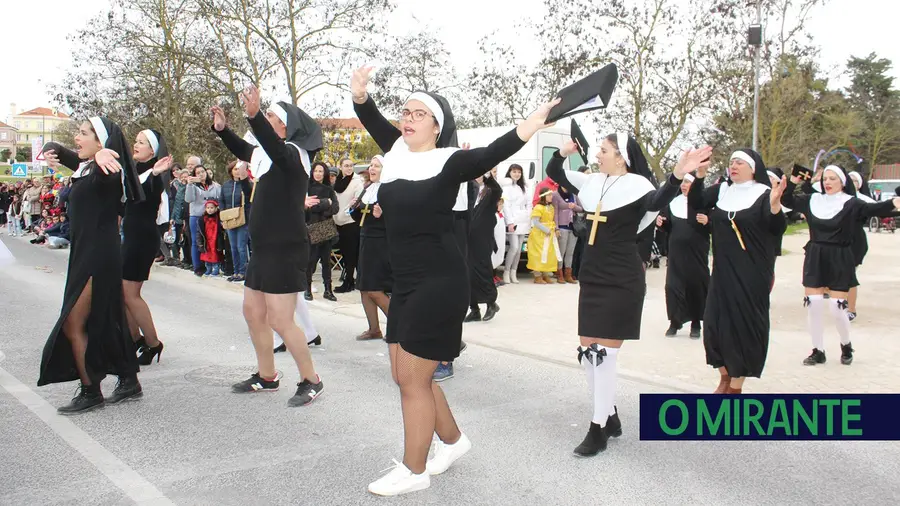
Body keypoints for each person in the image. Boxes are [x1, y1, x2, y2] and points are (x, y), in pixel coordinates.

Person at [351, 65, 560, 496]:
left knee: (411, 379)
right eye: (405, 111)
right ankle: (452, 440)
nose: (407, 118)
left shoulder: (448, 162)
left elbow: (491, 153)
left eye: (418, 114)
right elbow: (371, 117)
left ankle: (414, 471)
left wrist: (531, 125)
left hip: (440, 281)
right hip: (404, 280)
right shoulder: (394, 154)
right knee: (407, 375)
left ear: (437, 125)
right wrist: (359, 94)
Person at [548, 134, 709, 456]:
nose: (597, 155)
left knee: (604, 355)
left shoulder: (638, 186)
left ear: (620, 157)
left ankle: (598, 428)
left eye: (604, 151)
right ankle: (609, 414)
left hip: (622, 276)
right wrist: (563, 152)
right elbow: (556, 172)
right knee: (587, 353)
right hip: (592, 275)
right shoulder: (594, 182)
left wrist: (679, 172)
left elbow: (659, 198)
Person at [210, 88, 325, 407]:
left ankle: (311, 380)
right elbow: (248, 149)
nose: (266, 120)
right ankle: (267, 375)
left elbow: (272, 146)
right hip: (263, 248)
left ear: (287, 128)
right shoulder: (268, 153)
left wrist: (254, 114)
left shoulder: (294, 156)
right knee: (253, 312)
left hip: (285, 248)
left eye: (272, 116)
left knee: (281, 320)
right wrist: (223, 130)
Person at [39, 117, 146, 413]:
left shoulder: (107, 169)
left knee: (75, 321)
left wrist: (102, 155)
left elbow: (107, 176)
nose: (77, 137)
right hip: (87, 252)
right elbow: (63, 152)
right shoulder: (86, 167)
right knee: (107, 317)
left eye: (84, 134)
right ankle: (129, 380)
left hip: (97, 255)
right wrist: (51, 149)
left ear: (101, 143)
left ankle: (90, 391)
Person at [688, 149, 787, 395]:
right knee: (714, 323)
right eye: (731, 162)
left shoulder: (764, 194)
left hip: (751, 273)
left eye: (740, 162)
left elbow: (777, 227)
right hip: (722, 271)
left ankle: (735, 386)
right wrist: (700, 176)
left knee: (743, 325)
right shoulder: (723, 190)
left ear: (753, 168)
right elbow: (696, 203)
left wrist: (775, 206)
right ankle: (724, 375)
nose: (734, 165)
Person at [782, 165, 900, 366]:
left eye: (832, 179)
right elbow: (786, 200)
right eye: (825, 179)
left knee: (837, 308)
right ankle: (817, 350)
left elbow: (876, 209)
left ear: (842, 182)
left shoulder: (852, 203)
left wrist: (895, 202)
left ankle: (846, 344)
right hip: (815, 254)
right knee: (814, 303)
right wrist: (793, 181)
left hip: (840, 256)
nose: (827, 182)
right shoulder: (812, 200)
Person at [111, 129, 172, 364]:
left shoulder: (155, 174)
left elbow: (142, 184)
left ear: (152, 150)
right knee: (123, 293)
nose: (135, 145)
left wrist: (155, 172)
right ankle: (135, 340)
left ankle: (153, 343)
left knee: (130, 293)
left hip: (142, 238)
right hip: (131, 235)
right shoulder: (134, 169)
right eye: (135, 141)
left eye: (142, 142)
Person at [659, 175, 710, 338]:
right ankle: (675, 321)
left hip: (696, 253)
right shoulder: (673, 202)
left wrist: (708, 221)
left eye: (687, 182)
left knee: (695, 286)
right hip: (676, 253)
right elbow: (668, 227)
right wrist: (661, 222)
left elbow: (715, 225)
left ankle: (696, 323)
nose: (683, 185)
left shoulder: (703, 203)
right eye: (682, 182)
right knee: (673, 286)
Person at [350, 155, 392, 340]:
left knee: (375, 289)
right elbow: (359, 217)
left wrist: (383, 214)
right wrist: (353, 209)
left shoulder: (388, 190)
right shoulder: (368, 188)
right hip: (365, 239)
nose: (372, 169)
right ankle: (374, 329)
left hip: (380, 243)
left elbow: (398, 218)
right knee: (364, 287)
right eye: (371, 165)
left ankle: (400, 325)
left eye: (377, 166)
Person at [463, 171, 503, 322]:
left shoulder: (490, 192)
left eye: (480, 175)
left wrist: (488, 177)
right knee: (468, 274)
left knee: (482, 270)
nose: (477, 177)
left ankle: (491, 303)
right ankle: (474, 309)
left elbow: (498, 190)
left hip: (482, 239)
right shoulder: (470, 192)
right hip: (468, 239)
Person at [333, 157, 365, 292]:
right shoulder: (338, 181)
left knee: (351, 254)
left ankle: (349, 281)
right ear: (340, 167)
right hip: (338, 222)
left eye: (351, 166)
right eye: (346, 165)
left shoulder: (357, 182)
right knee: (345, 253)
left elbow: (357, 200)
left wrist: (348, 212)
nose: (349, 168)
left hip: (350, 222)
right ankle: (351, 280)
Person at [500, 164, 531, 283]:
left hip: (523, 220)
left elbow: (529, 204)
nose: (517, 174)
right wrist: (510, 222)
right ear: (509, 172)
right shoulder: (506, 187)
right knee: (514, 247)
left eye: (519, 172)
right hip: (512, 220)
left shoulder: (525, 187)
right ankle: (506, 272)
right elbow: (506, 206)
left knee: (519, 250)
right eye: (514, 172)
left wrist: (528, 217)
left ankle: (514, 272)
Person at [526, 188, 559, 283]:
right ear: (544, 196)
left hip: (549, 234)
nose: (551, 197)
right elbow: (536, 222)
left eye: (551, 195)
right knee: (538, 254)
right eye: (549, 195)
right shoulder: (538, 207)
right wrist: (546, 229)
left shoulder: (551, 207)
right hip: (539, 234)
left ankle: (545, 274)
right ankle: (537, 275)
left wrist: (554, 229)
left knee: (548, 253)